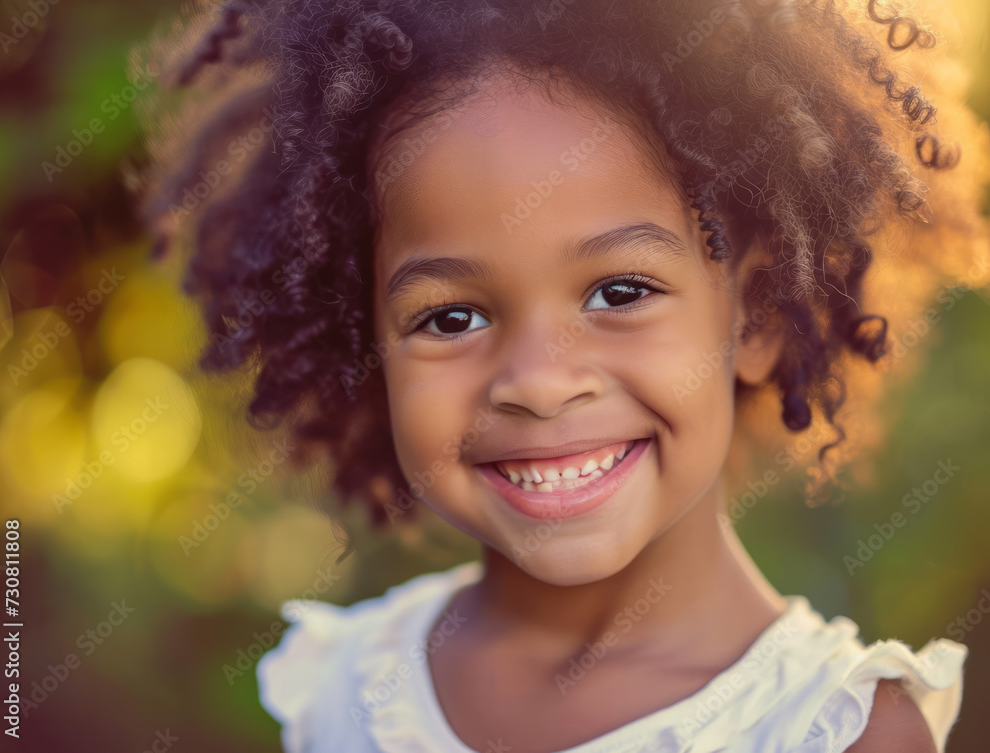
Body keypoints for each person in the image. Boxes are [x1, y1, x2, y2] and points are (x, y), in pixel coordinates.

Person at [126, 0, 990, 750]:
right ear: (370, 345)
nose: (538, 382)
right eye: (451, 317)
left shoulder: (837, 729)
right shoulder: (347, 684)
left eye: (620, 292)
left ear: (755, 316)